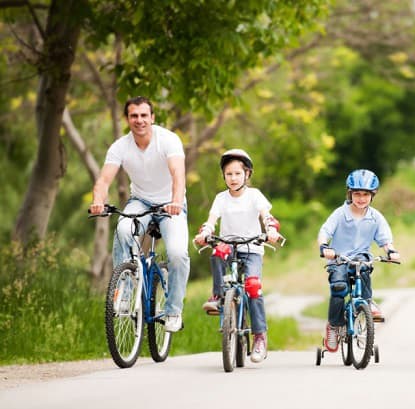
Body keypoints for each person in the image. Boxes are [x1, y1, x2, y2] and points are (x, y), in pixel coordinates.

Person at [90, 96, 190, 333]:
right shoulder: (120, 146)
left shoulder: (168, 140)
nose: (139, 120)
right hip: (140, 201)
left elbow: (178, 174)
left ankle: (174, 311)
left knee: (177, 253)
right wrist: (97, 201)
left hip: (170, 204)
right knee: (123, 229)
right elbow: (104, 180)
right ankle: (124, 293)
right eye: (134, 116)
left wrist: (176, 201)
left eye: (144, 115)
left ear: (152, 118)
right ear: (127, 119)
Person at [193, 148, 281, 363]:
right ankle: (217, 296)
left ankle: (259, 336)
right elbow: (211, 220)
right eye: (229, 174)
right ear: (223, 175)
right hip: (228, 245)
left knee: (252, 286)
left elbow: (267, 216)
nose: (233, 178)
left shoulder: (255, 195)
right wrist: (205, 233)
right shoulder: (220, 198)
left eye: (238, 173)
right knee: (217, 251)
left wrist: (271, 230)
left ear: (247, 174)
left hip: (252, 247)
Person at [318, 169, 401, 353]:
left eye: (365, 194)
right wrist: (324, 247)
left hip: (360, 258)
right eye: (357, 194)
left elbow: (385, 240)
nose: (361, 198)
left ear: (373, 195)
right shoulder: (340, 213)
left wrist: (391, 251)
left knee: (364, 270)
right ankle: (334, 325)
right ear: (350, 193)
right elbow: (325, 231)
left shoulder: (375, 217)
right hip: (339, 258)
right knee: (339, 288)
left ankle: (367, 302)